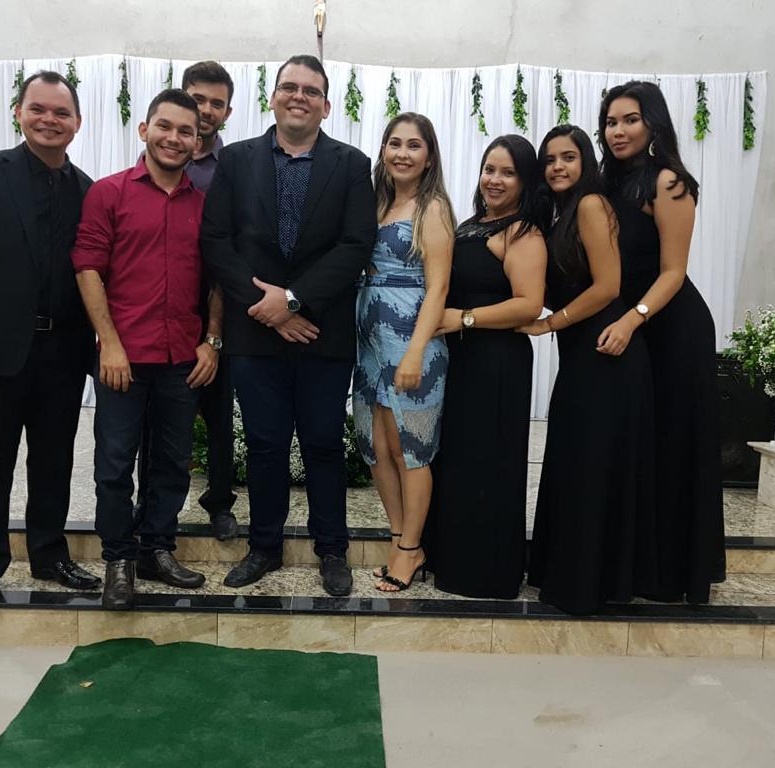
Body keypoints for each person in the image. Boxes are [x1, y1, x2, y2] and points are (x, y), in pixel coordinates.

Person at [201, 54, 377, 596]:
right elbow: (216, 241)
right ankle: (264, 548)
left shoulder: (352, 164)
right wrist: (269, 306)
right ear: (272, 97)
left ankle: (332, 551)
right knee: (264, 444)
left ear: (326, 104)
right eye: (289, 87)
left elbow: (356, 245)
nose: (299, 96)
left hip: (323, 332)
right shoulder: (237, 160)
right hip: (255, 332)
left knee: (324, 444)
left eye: (310, 90)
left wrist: (295, 301)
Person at [0, 71, 102, 607]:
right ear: (19, 113)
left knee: (54, 461)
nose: (50, 120)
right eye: (39, 109)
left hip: (63, 352)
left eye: (61, 112)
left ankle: (49, 555)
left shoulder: (89, 191)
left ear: (77, 123)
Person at [72, 88, 219, 610]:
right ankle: (119, 559)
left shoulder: (205, 206)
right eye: (165, 126)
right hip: (123, 359)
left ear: (197, 141)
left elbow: (217, 281)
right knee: (114, 465)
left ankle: (158, 548)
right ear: (144, 130)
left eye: (186, 131)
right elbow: (88, 269)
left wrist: (212, 341)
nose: (174, 138)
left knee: (173, 463)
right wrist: (109, 344)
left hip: (183, 358)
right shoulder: (108, 193)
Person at [522, 125, 658, 615]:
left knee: (591, 466)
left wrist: (549, 323)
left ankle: (586, 583)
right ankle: (572, 575)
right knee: (576, 461)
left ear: (585, 162)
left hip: (606, 352)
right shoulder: (560, 211)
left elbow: (607, 286)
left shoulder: (591, 205)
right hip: (583, 352)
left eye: (568, 157)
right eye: (550, 159)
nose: (557, 167)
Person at [598, 81, 725, 603]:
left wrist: (633, 319)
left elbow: (673, 271)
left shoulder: (668, 181)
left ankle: (673, 572)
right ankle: (636, 566)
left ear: (653, 124)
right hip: (633, 326)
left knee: (673, 449)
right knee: (639, 449)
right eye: (611, 122)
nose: (618, 131)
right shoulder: (607, 184)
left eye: (630, 119)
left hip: (673, 330)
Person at [425, 135, 547, 600]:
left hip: (496, 363)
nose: (494, 180)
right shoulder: (472, 225)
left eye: (508, 173)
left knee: (487, 463)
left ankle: (486, 574)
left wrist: (465, 318)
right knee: (458, 461)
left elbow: (529, 305)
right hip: (461, 359)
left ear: (525, 181)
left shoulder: (524, 232)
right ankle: (449, 560)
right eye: (489, 169)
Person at [134, 61, 238, 541]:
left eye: (217, 103)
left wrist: (216, 329)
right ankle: (147, 505)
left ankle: (220, 502)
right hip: (157, 310)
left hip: (217, 306)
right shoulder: (157, 157)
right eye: (199, 99)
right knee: (151, 418)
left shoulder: (235, 167)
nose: (207, 110)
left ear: (227, 112)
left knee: (218, 414)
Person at [352, 113, 454, 592]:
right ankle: (399, 538)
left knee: (409, 449)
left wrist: (414, 352)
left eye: (414, 145)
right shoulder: (375, 200)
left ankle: (412, 548)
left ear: (429, 156)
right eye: (395, 143)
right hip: (368, 343)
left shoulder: (433, 208)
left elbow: (439, 289)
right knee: (376, 448)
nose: (402, 153)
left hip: (411, 340)